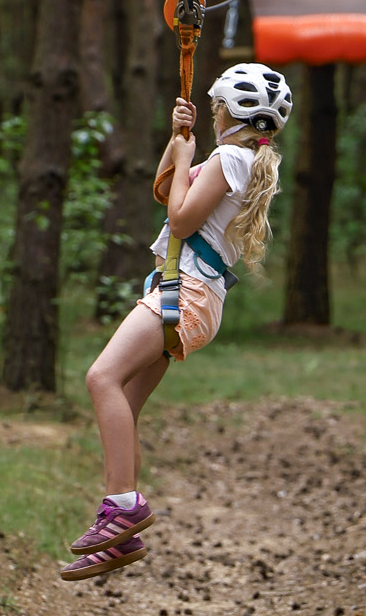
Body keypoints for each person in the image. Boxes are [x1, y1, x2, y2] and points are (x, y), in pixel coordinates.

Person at [60, 63, 293, 580]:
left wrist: (188, 154)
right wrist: (177, 142)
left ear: (228, 114)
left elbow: (182, 220)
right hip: (195, 296)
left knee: (101, 378)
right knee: (124, 403)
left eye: (214, 110)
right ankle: (120, 533)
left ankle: (123, 507)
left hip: (184, 291)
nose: (211, 116)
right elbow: (167, 192)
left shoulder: (228, 158)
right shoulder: (243, 160)